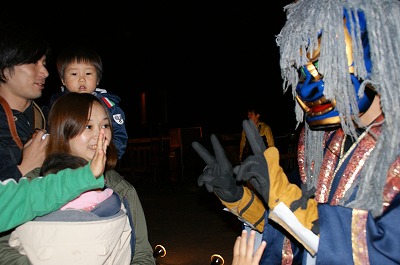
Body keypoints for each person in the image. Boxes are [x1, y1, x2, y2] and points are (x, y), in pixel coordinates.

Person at [192, 0, 400, 264]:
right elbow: (294, 235)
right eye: (301, 73)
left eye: (321, 66)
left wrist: (284, 198)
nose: (305, 90)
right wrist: (238, 197)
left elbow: (383, 251)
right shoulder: (327, 146)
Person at [0, 93, 155, 265]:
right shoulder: (34, 185)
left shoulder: (121, 189)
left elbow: (142, 254)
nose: (100, 134)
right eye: (88, 126)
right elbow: (4, 248)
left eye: (105, 125)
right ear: (63, 131)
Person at [0, 129, 108, 233]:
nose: (97, 134)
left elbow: (29, 198)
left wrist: (87, 175)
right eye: (88, 127)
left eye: (105, 126)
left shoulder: (110, 182)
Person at [41, 44, 128, 160]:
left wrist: (109, 158)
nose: (82, 79)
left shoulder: (107, 105)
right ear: (63, 80)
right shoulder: (56, 104)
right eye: (74, 74)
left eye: (88, 73)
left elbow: (119, 134)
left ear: (97, 79)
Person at [0, 22, 50, 181]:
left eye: (44, 63)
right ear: (4, 68)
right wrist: (24, 168)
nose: (45, 72)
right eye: (33, 62)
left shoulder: (47, 116)